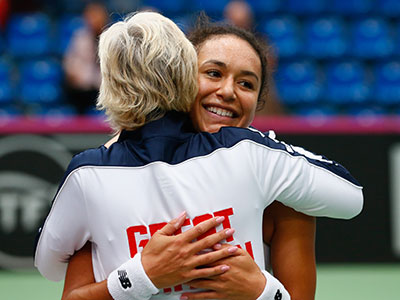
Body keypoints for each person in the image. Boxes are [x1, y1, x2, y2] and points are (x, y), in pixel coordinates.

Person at [34, 11, 363, 300]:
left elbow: (351, 199)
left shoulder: (277, 183)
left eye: (247, 84)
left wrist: (262, 291)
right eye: (214, 73)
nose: (228, 91)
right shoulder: (96, 179)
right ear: (180, 75)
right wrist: (141, 277)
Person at [63, 1, 109, 114]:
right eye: (90, 15)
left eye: (97, 15)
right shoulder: (80, 37)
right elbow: (70, 64)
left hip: (107, 88)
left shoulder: (111, 37)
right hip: (84, 90)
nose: (94, 19)